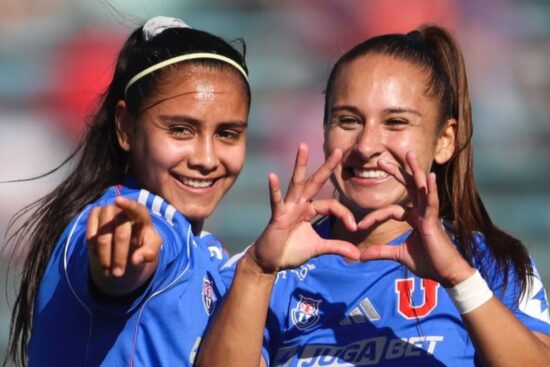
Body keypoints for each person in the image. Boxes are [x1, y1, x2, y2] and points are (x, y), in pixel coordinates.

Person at [196, 24, 550, 366]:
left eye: (395, 122)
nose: (366, 146)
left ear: (444, 140)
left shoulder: (491, 263)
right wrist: (258, 272)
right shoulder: (263, 267)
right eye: (348, 121)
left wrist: (459, 279)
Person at [4, 15, 252, 367]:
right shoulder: (129, 219)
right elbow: (128, 259)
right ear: (125, 128)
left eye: (228, 133)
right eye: (181, 130)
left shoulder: (209, 252)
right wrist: (120, 263)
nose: (207, 158)